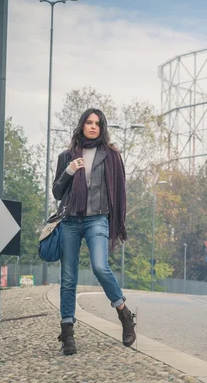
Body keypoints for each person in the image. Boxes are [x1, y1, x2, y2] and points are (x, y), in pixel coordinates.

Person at [52, 108, 136, 355]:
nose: (92, 127)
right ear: (82, 125)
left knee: (100, 266)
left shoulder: (110, 156)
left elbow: (118, 190)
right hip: (70, 220)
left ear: (102, 128)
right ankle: (67, 333)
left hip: (97, 219)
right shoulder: (67, 156)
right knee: (68, 278)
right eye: (88, 122)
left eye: (97, 124)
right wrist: (69, 171)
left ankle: (124, 313)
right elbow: (57, 192)